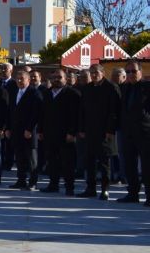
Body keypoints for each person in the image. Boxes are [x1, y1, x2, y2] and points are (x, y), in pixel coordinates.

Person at [78, 64, 121, 199]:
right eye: (92, 73)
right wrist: (82, 129)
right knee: (89, 161)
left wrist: (110, 130)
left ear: (102, 73)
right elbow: (82, 111)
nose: (94, 75)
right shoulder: (88, 88)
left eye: (96, 72)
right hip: (90, 131)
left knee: (104, 163)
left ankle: (105, 189)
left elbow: (115, 111)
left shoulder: (111, 87)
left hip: (105, 132)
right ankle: (90, 188)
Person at [38, 69, 82, 195]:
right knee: (52, 161)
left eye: (59, 77)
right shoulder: (47, 93)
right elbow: (42, 114)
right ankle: (53, 184)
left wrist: (72, 132)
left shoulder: (73, 94)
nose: (56, 79)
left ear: (66, 78)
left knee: (67, 162)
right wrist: (40, 130)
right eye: (54, 77)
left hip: (66, 134)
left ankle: (69, 187)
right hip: (49, 133)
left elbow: (75, 115)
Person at [117, 62, 149, 205]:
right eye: (128, 71)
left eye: (133, 71)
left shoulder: (147, 87)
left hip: (145, 132)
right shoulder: (124, 88)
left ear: (140, 72)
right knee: (129, 164)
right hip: (127, 132)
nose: (130, 74)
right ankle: (132, 193)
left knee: (147, 165)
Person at [5, 70, 41, 190]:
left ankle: (33, 182)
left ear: (28, 80)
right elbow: (11, 112)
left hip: (29, 132)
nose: (19, 81)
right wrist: (8, 128)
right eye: (18, 79)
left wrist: (29, 129)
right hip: (16, 131)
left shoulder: (34, 93)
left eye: (22, 79)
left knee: (31, 159)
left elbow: (36, 113)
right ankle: (21, 180)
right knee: (19, 157)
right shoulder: (15, 92)